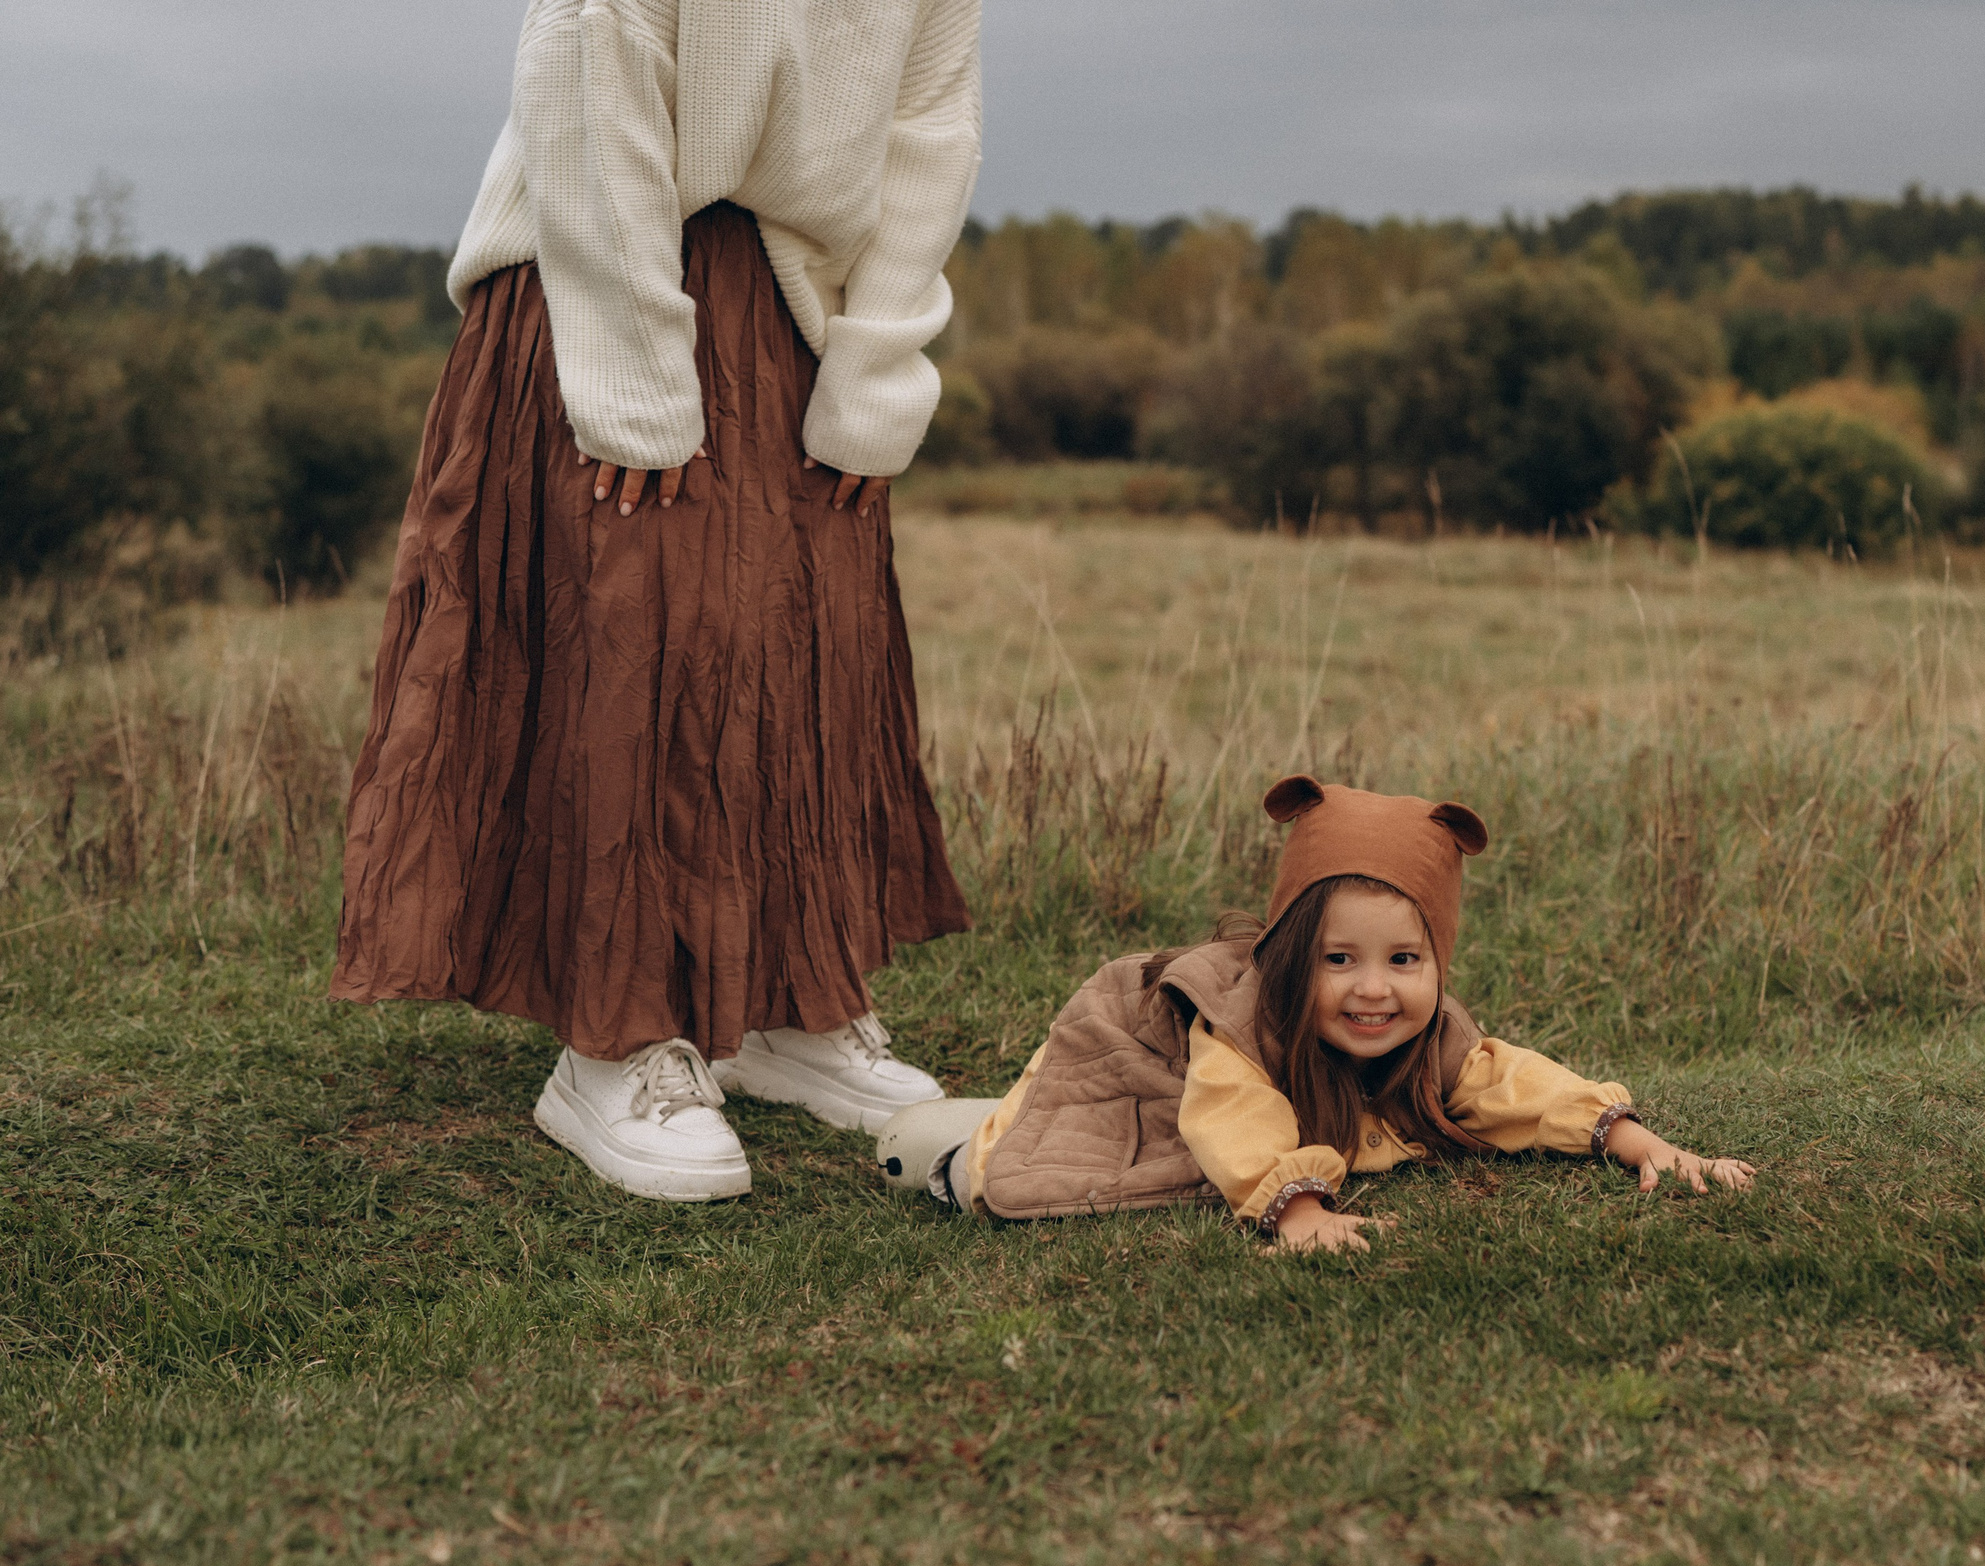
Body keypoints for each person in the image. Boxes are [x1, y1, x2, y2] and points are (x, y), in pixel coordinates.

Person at [330, 0, 983, 1201]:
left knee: (803, 651)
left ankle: (794, 1005)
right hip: (603, 285)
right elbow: (586, 82)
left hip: (797, 315)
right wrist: (632, 372)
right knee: (627, 654)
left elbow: (927, 133)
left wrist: (878, 371)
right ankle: (613, 1043)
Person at [876, 777, 1756, 1249]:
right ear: (1295, 957)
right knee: (1007, 1173)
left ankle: (964, 1123)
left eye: (1403, 961)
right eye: (1340, 960)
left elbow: (1511, 1083)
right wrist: (1298, 1212)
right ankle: (952, 1146)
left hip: (1214, 1094)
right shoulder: (1242, 1019)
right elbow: (1234, 1112)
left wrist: (1642, 1143)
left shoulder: (1430, 1029)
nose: (1373, 989)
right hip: (1145, 1060)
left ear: (1436, 964)